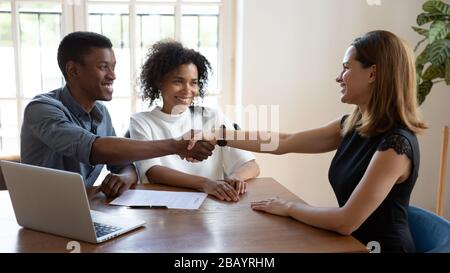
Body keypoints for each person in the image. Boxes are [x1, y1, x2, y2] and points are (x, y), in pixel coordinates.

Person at [189, 30, 426, 252]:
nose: (338, 77)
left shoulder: (396, 146)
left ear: (372, 74)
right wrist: (219, 135)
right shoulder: (352, 126)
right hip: (349, 244)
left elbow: (346, 221)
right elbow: (285, 142)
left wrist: (289, 207)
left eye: (346, 68)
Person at [21, 32, 214, 199]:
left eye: (113, 67)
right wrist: (176, 146)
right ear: (73, 70)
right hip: (43, 213)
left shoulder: (101, 113)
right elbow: (95, 149)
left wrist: (126, 177)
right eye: (103, 67)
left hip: (83, 208)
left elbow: (122, 164)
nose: (112, 75)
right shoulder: (41, 109)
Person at [129, 41, 260, 202]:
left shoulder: (212, 116)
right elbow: (153, 172)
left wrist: (236, 176)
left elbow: (251, 165)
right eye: (178, 81)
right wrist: (206, 184)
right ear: (159, 82)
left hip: (212, 206)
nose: (187, 90)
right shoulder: (141, 122)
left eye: (194, 82)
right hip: (163, 208)